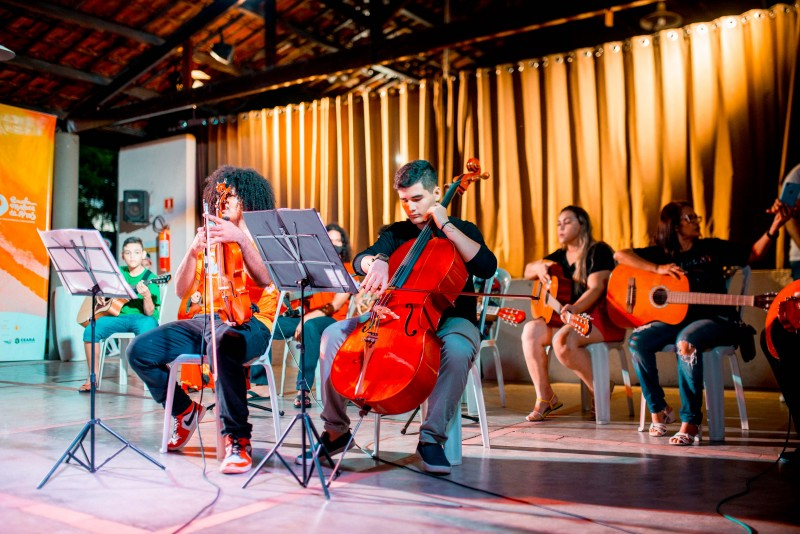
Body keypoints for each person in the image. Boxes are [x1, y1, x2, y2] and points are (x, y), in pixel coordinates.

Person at [303, 159, 497, 475]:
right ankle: (336, 431)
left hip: (451, 320)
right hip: (397, 317)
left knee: (459, 349)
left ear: (437, 192)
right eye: (404, 200)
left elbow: (486, 266)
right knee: (332, 334)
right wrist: (376, 262)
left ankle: (431, 439)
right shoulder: (395, 233)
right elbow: (360, 260)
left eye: (417, 199)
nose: (410, 207)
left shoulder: (463, 229)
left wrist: (445, 225)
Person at [127, 166, 277, 474]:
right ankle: (185, 411)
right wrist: (193, 252)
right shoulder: (213, 238)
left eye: (232, 195)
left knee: (223, 343)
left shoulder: (265, 237)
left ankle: (238, 439)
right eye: (221, 195)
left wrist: (242, 240)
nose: (225, 202)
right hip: (208, 320)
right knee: (139, 351)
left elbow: (263, 279)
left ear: (248, 199)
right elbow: (182, 289)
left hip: (254, 324)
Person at [615, 199, 796, 445]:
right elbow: (620, 254)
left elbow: (753, 253)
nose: (697, 221)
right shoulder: (661, 253)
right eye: (690, 218)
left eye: (696, 217)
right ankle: (659, 410)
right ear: (674, 225)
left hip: (716, 320)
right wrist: (657, 269)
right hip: (675, 320)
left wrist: (774, 226)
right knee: (637, 340)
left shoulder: (710, 248)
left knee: (686, 340)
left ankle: (690, 421)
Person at [520, 206, 625, 421]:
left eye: (567, 222)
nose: (561, 227)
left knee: (563, 340)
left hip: (600, 317)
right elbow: (527, 271)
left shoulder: (599, 250)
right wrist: (539, 266)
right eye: (558, 223)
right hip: (569, 318)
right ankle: (545, 396)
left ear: (582, 224)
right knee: (530, 331)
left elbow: (596, 289)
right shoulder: (558, 257)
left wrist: (575, 309)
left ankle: (600, 387)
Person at [250, 223, 355, 409]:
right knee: (263, 324)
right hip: (304, 319)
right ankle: (260, 384)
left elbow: (335, 305)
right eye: (330, 241)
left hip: (331, 322)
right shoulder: (311, 270)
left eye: (338, 241)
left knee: (310, 327)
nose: (334, 244)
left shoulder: (346, 269)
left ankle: (303, 389)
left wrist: (306, 318)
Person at [79, 236, 161, 392]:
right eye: (128, 253)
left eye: (136, 252)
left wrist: (147, 296)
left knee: (149, 325)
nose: (132, 256)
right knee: (91, 329)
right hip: (116, 316)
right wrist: (102, 295)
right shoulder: (117, 273)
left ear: (143, 254)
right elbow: (99, 288)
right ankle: (93, 377)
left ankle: (150, 377)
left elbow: (149, 312)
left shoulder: (151, 278)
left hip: (141, 318)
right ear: (122, 255)